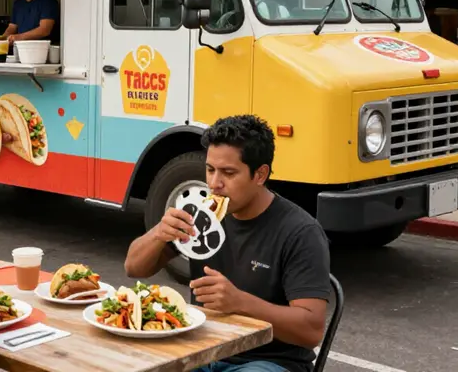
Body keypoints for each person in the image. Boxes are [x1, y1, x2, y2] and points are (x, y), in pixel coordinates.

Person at [125, 115, 330, 372]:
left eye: (228, 173)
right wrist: (158, 233)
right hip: (201, 350)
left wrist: (240, 302)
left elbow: (311, 330)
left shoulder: (300, 232)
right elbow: (134, 268)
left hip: (269, 361)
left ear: (260, 174)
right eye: (210, 169)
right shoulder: (199, 215)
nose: (214, 184)